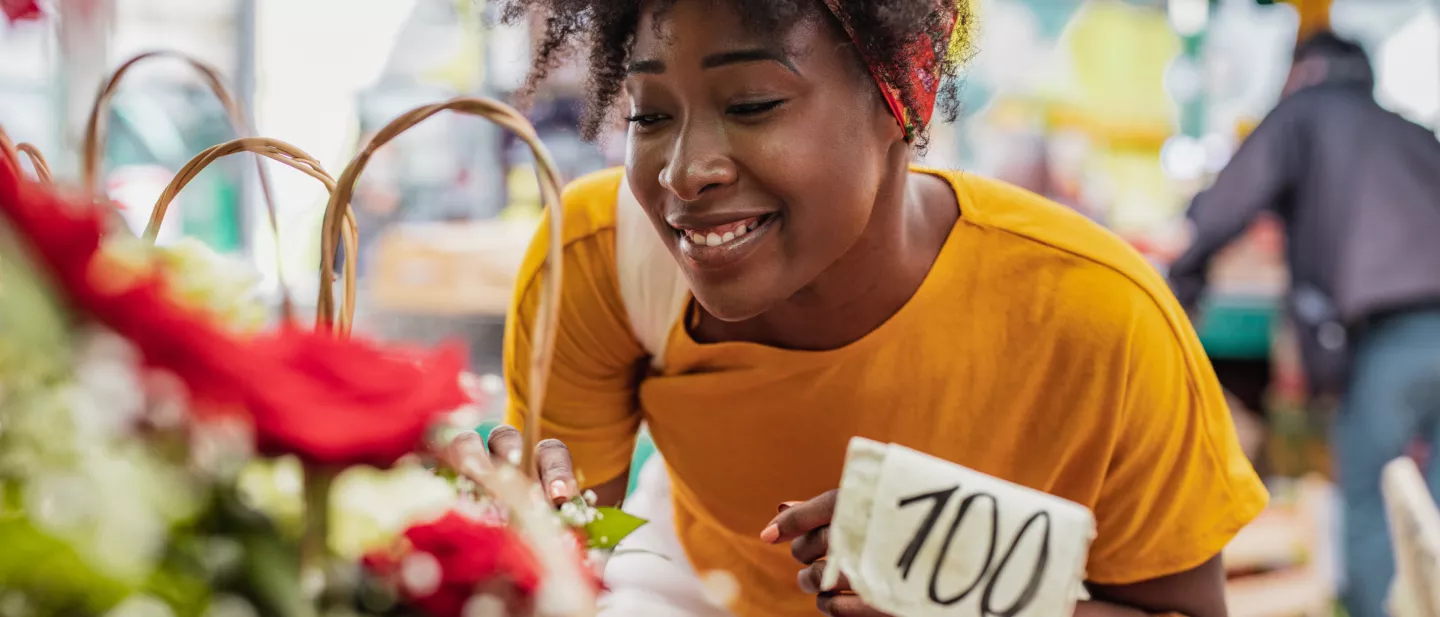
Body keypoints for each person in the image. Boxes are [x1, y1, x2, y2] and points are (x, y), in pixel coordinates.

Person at [488, 1, 1267, 616]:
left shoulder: (1101, 317)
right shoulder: (596, 258)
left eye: (753, 102)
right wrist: (501, 527)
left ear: (901, 93)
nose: (684, 173)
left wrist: (965, 586)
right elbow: (570, 559)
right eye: (649, 114)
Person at [1167, 31, 1440, 617]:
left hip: (1391, 338)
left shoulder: (1305, 113)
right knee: (1431, 517)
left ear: (1303, 72)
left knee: (1372, 503)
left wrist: (1177, 284)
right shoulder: (1411, 132)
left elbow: (1224, 206)